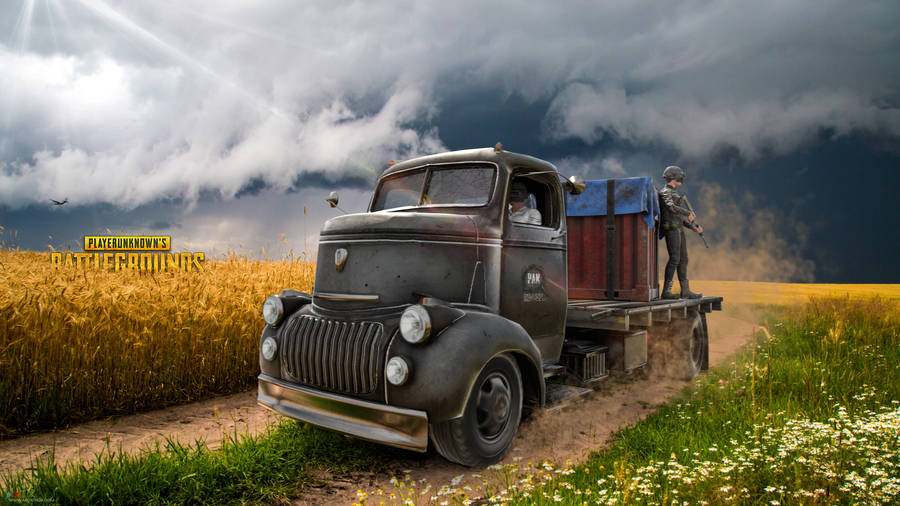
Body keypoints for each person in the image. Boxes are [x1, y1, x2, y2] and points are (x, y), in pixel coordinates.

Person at [658, 165, 702, 299]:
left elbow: (679, 217)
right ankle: (666, 292)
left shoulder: (674, 193)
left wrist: (693, 227)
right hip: (671, 228)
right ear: (674, 177)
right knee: (675, 259)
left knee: (683, 259)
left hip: (678, 228)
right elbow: (671, 208)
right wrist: (688, 212)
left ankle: (685, 290)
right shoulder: (665, 192)